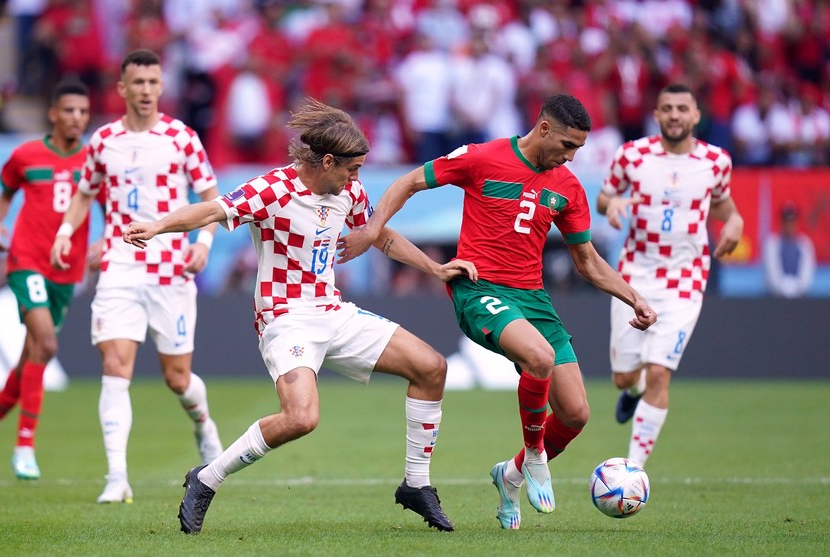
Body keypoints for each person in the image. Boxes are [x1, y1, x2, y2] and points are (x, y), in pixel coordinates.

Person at [123, 98, 478, 534]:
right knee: (301, 418)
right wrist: (158, 226)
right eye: (351, 169)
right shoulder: (272, 189)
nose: (357, 178)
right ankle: (206, 478)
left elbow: (378, 236)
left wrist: (436, 268)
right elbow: (212, 210)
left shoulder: (347, 191)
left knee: (431, 367)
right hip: (285, 317)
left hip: (333, 311)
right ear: (327, 161)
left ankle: (416, 485)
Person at [338, 94, 657, 531]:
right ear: (543, 128)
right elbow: (409, 181)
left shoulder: (567, 186)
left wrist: (632, 296)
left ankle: (509, 476)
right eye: (567, 145)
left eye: (578, 149)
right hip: (478, 289)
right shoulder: (481, 158)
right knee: (539, 358)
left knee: (576, 414)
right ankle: (536, 458)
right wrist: (373, 228)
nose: (571, 156)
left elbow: (587, 262)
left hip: (533, 299)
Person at [50, 49, 224, 504]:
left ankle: (204, 425)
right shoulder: (103, 140)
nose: (146, 90)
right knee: (115, 367)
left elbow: (213, 200)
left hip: (171, 268)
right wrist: (67, 231)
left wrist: (202, 245)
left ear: (160, 87)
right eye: (138, 83)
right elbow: (85, 193)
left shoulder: (181, 138)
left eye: (153, 82)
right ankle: (116, 476)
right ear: (122, 88)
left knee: (177, 378)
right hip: (119, 265)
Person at [596, 83, 743, 467]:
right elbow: (603, 197)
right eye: (667, 108)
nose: (674, 115)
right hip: (634, 276)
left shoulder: (715, 161)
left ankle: (632, 471)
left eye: (682, 108)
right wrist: (612, 207)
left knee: (661, 372)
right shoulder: (631, 155)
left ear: (696, 115)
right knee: (624, 378)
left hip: (685, 279)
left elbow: (726, 206)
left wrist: (736, 222)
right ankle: (634, 388)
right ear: (657, 115)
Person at [0, 80, 93, 481]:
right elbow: (5, 192)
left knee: (29, 361)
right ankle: (25, 445)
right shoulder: (26, 155)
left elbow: (110, 204)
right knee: (47, 343)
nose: (76, 118)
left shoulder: (93, 161)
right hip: (27, 260)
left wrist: (107, 241)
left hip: (66, 268)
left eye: (83, 112)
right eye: (69, 110)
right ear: (53, 114)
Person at [764, 202, 815, 298]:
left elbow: (806, 276)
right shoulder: (772, 243)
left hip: (800, 298)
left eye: (792, 221)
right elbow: (772, 277)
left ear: (797, 222)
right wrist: (784, 288)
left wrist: (796, 288)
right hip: (775, 299)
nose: (789, 225)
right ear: (781, 222)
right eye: (786, 221)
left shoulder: (804, 244)